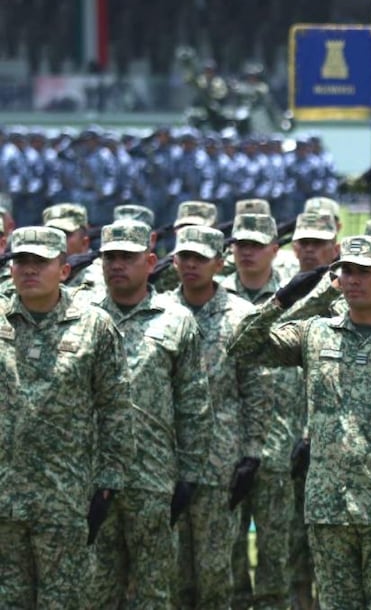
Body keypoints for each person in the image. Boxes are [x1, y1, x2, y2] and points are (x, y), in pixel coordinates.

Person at [228, 236, 371, 608]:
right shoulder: (316, 334)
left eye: (364, 272)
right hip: (327, 508)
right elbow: (243, 347)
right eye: (346, 270)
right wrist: (284, 300)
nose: (353, 280)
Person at [79, 219, 211, 608]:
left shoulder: (175, 319)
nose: (117, 264)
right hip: (89, 476)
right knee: (94, 589)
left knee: (154, 590)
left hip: (152, 478)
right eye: (110, 257)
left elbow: (193, 403)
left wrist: (190, 473)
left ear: (151, 261)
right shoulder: (80, 316)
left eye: (128, 257)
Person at [0, 226, 127, 608]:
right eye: (21, 261)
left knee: (64, 601)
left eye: (40, 262)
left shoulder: (95, 325)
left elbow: (115, 407)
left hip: (67, 497)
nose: (28, 270)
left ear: (64, 269)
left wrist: (109, 480)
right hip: (4, 497)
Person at [166, 225, 271, 609]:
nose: (191, 265)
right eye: (184, 257)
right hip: (165, 463)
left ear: (219, 263)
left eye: (200, 258)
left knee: (215, 572)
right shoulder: (161, 311)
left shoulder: (240, 315)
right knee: (173, 572)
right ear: (173, 260)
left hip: (219, 461)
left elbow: (256, 390)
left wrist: (252, 452)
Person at [220, 213, 303, 610]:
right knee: (228, 560)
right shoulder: (217, 297)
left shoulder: (297, 297)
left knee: (276, 558)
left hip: (280, 446)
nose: (247, 252)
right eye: (241, 245)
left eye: (256, 245)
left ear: (275, 248)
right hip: (224, 449)